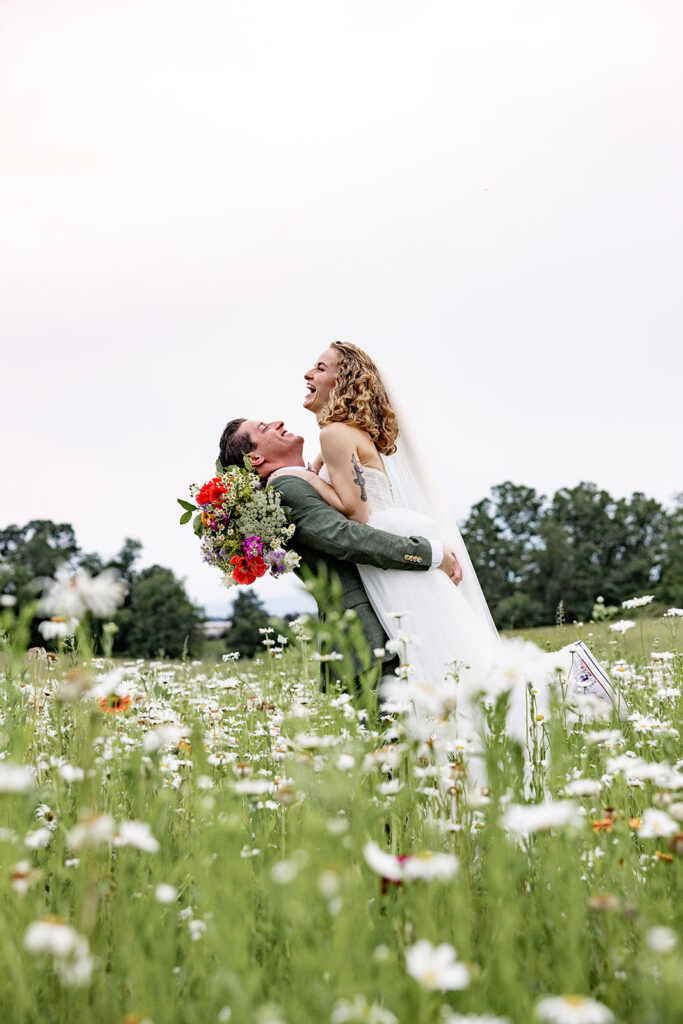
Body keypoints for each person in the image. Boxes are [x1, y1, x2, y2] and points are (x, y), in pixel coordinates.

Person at [294, 341, 627, 732]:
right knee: (448, 647)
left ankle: (567, 674)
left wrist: (306, 480)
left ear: (343, 379)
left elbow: (356, 511)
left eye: (319, 367)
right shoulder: (347, 433)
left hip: (386, 552)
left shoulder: (334, 433)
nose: (308, 374)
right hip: (395, 536)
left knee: (440, 653)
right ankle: (559, 687)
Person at [217, 416, 463, 691]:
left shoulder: (300, 479)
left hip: (377, 631)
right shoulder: (284, 488)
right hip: (366, 640)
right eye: (264, 429)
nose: (278, 422)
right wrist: (430, 554)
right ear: (255, 459)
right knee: (395, 730)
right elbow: (346, 538)